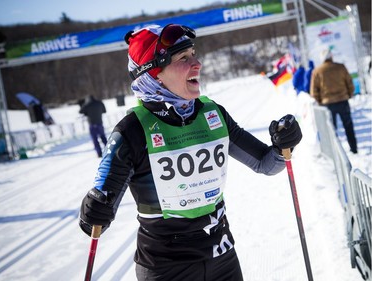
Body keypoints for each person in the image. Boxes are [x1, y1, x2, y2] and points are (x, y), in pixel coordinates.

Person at [79, 24, 303, 281]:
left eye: (194, 54)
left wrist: (283, 146)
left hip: (222, 257)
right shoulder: (132, 131)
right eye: (184, 58)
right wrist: (93, 209)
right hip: (166, 268)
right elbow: (95, 220)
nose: (197, 63)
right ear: (154, 74)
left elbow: (266, 164)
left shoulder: (212, 114)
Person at [310, 48, 357, 154]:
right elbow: (350, 83)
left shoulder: (317, 71)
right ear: (331, 56)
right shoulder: (340, 67)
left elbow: (314, 91)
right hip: (343, 101)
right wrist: (348, 95)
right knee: (348, 126)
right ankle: (354, 149)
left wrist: (320, 101)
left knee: (332, 130)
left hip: (327, 104)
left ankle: (335, 153)